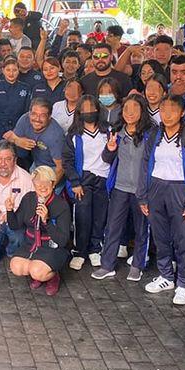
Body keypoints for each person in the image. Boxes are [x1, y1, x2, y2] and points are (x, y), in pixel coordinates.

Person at [136, 95, 185, 305]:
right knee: (160, 236)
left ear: (183, 113)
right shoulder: (155, 134)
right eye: (163, 110)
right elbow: (144, 164)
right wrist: (143, 196)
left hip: (179, 190)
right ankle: (166, 275)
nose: (167, 115)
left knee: (183, 238)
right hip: (156, 187)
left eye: (172, 110)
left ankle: (184, 282)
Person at [93, 94, 153, 281]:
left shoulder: (151, 134)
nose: (130, 113)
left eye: (134, 108)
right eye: (126, 109)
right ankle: (107, 265)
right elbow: (107, 160)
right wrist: (109, 150)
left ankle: (138, 265)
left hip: (142, 190)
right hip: (120, 187)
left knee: (141, 228)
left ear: (142, 110)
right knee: (112, 227)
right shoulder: (117, 132)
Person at [7, 166, 71, 295]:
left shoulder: (61, 205)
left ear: (53, 184)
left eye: (46, 182)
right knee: (16, 267)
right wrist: (9, 211)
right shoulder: (29, 198)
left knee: (37, 271)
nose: (42, 186)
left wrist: (46, 221)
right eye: (38, 183)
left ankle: (53, 276)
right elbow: (15, 226)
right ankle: (37, 272)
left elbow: (63, 240)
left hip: (53, 246)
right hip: (31, 244)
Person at [63, 95, 110, 271]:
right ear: (79, 112)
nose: (89, 112)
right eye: (85, 109)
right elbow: (67, 160)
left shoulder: (107, 131)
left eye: (92, 108)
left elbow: (113, 156)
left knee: (100, 215)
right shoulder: (74, 134)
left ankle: (95, 249)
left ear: (98, 110)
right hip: (83, 179)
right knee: (82, 215)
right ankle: (79, 251)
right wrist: (75, 181)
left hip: (103, 179)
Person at [6, 98, 66, 181]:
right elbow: (7, 136)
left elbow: (61, 167)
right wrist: (18, 141)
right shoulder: (25, 119)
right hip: (36, 164)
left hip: (53, 168)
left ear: (49, 117)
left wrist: (51, 186)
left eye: (42, 115)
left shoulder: (55, 136)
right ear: (29, 113)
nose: (37, 119)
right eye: (34, 114)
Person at [0, 57, 31, 143]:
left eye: (14, 70)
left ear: (18, 71)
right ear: (3, 70)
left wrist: (16, 131)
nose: (11, 73)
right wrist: (4, 132)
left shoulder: (25, 88)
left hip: (19, 132)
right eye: (8, 70)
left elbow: (27, 112)